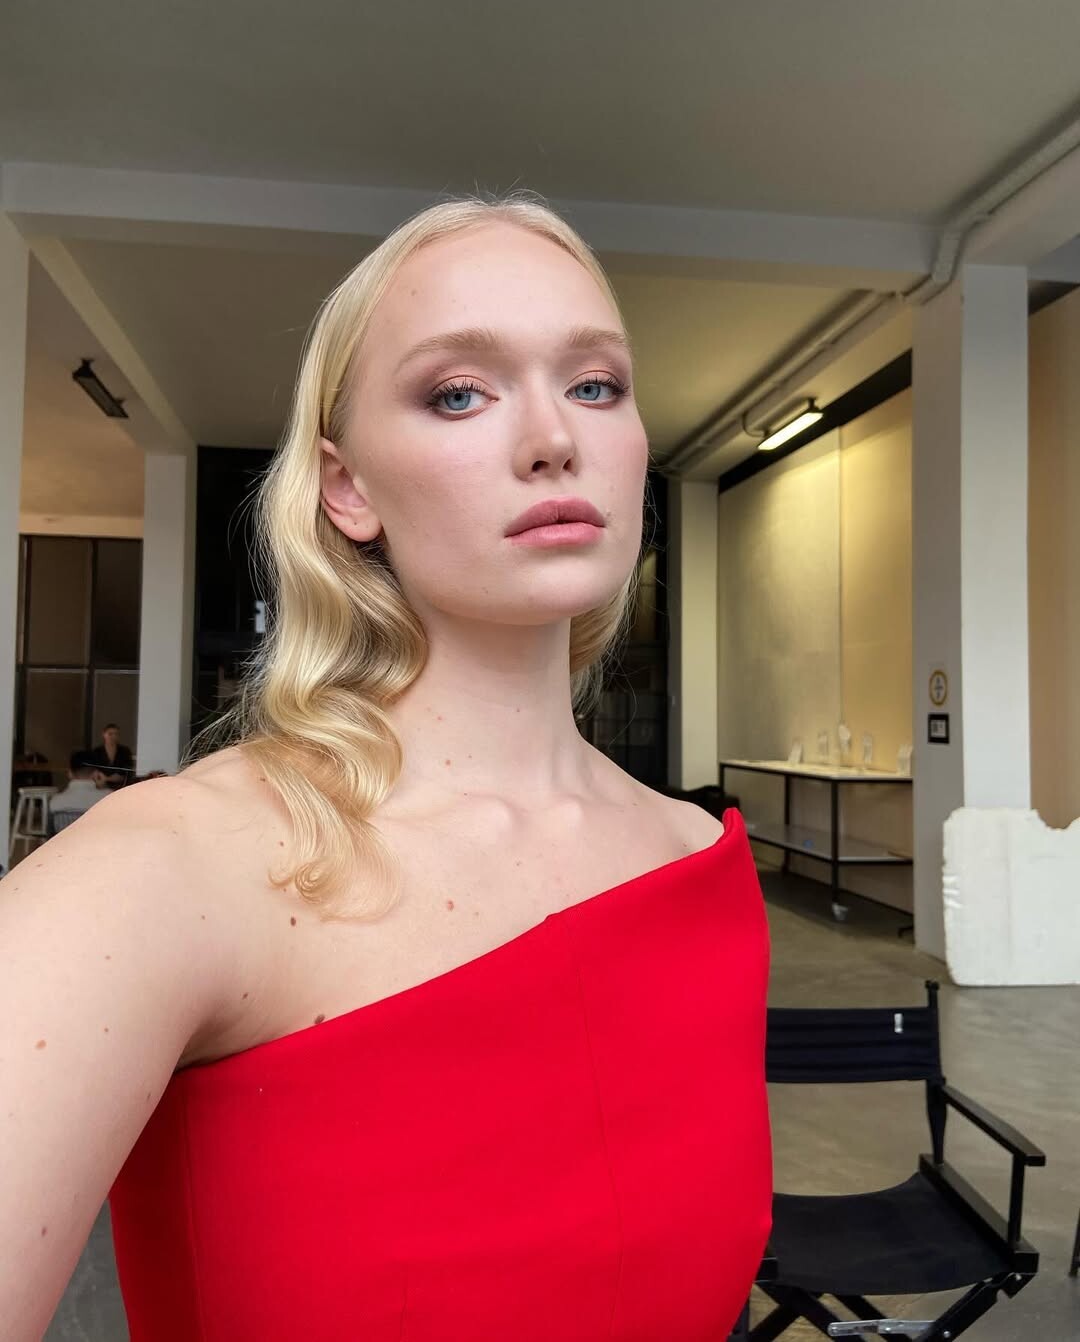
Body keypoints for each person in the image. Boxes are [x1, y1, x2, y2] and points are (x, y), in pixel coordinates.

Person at [0, 195, 771, 1340]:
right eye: (458, 392)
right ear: (346, 487)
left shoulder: (701, 861)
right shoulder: (165, 873)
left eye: (595, 384)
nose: (553, 437)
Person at [47, 751, 110, 823]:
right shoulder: (108, 799)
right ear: (96, 774)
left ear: (70, 773)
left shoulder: (55, 801)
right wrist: (103, 786)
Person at [86, 724, 135, 789]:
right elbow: (93, 768)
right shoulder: (97, 751)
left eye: (116, 734)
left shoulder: (125, 751)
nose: (113, 736)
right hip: (101, 784)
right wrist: (100, 778)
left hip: (120, 784)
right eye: (110, 734)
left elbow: (129, 767)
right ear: (104, 734)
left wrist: (119, 776)